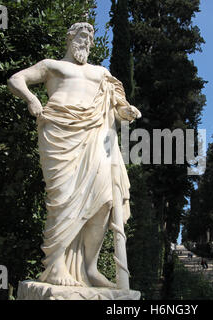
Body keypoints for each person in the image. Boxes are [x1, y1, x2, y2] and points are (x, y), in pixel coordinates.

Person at [7, 22, 141, 287]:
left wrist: (126, 112)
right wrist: (32, 99)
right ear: (69, 38)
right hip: (59, 133)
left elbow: (116, 108)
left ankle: (90, 269)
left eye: (90, 37)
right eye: (82, 35)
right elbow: (16, 79)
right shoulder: (52, 65)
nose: (87, 41)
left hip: (95, 137)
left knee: (103, 201)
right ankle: (55, 266)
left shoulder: (102, 73)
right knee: (63, 197)